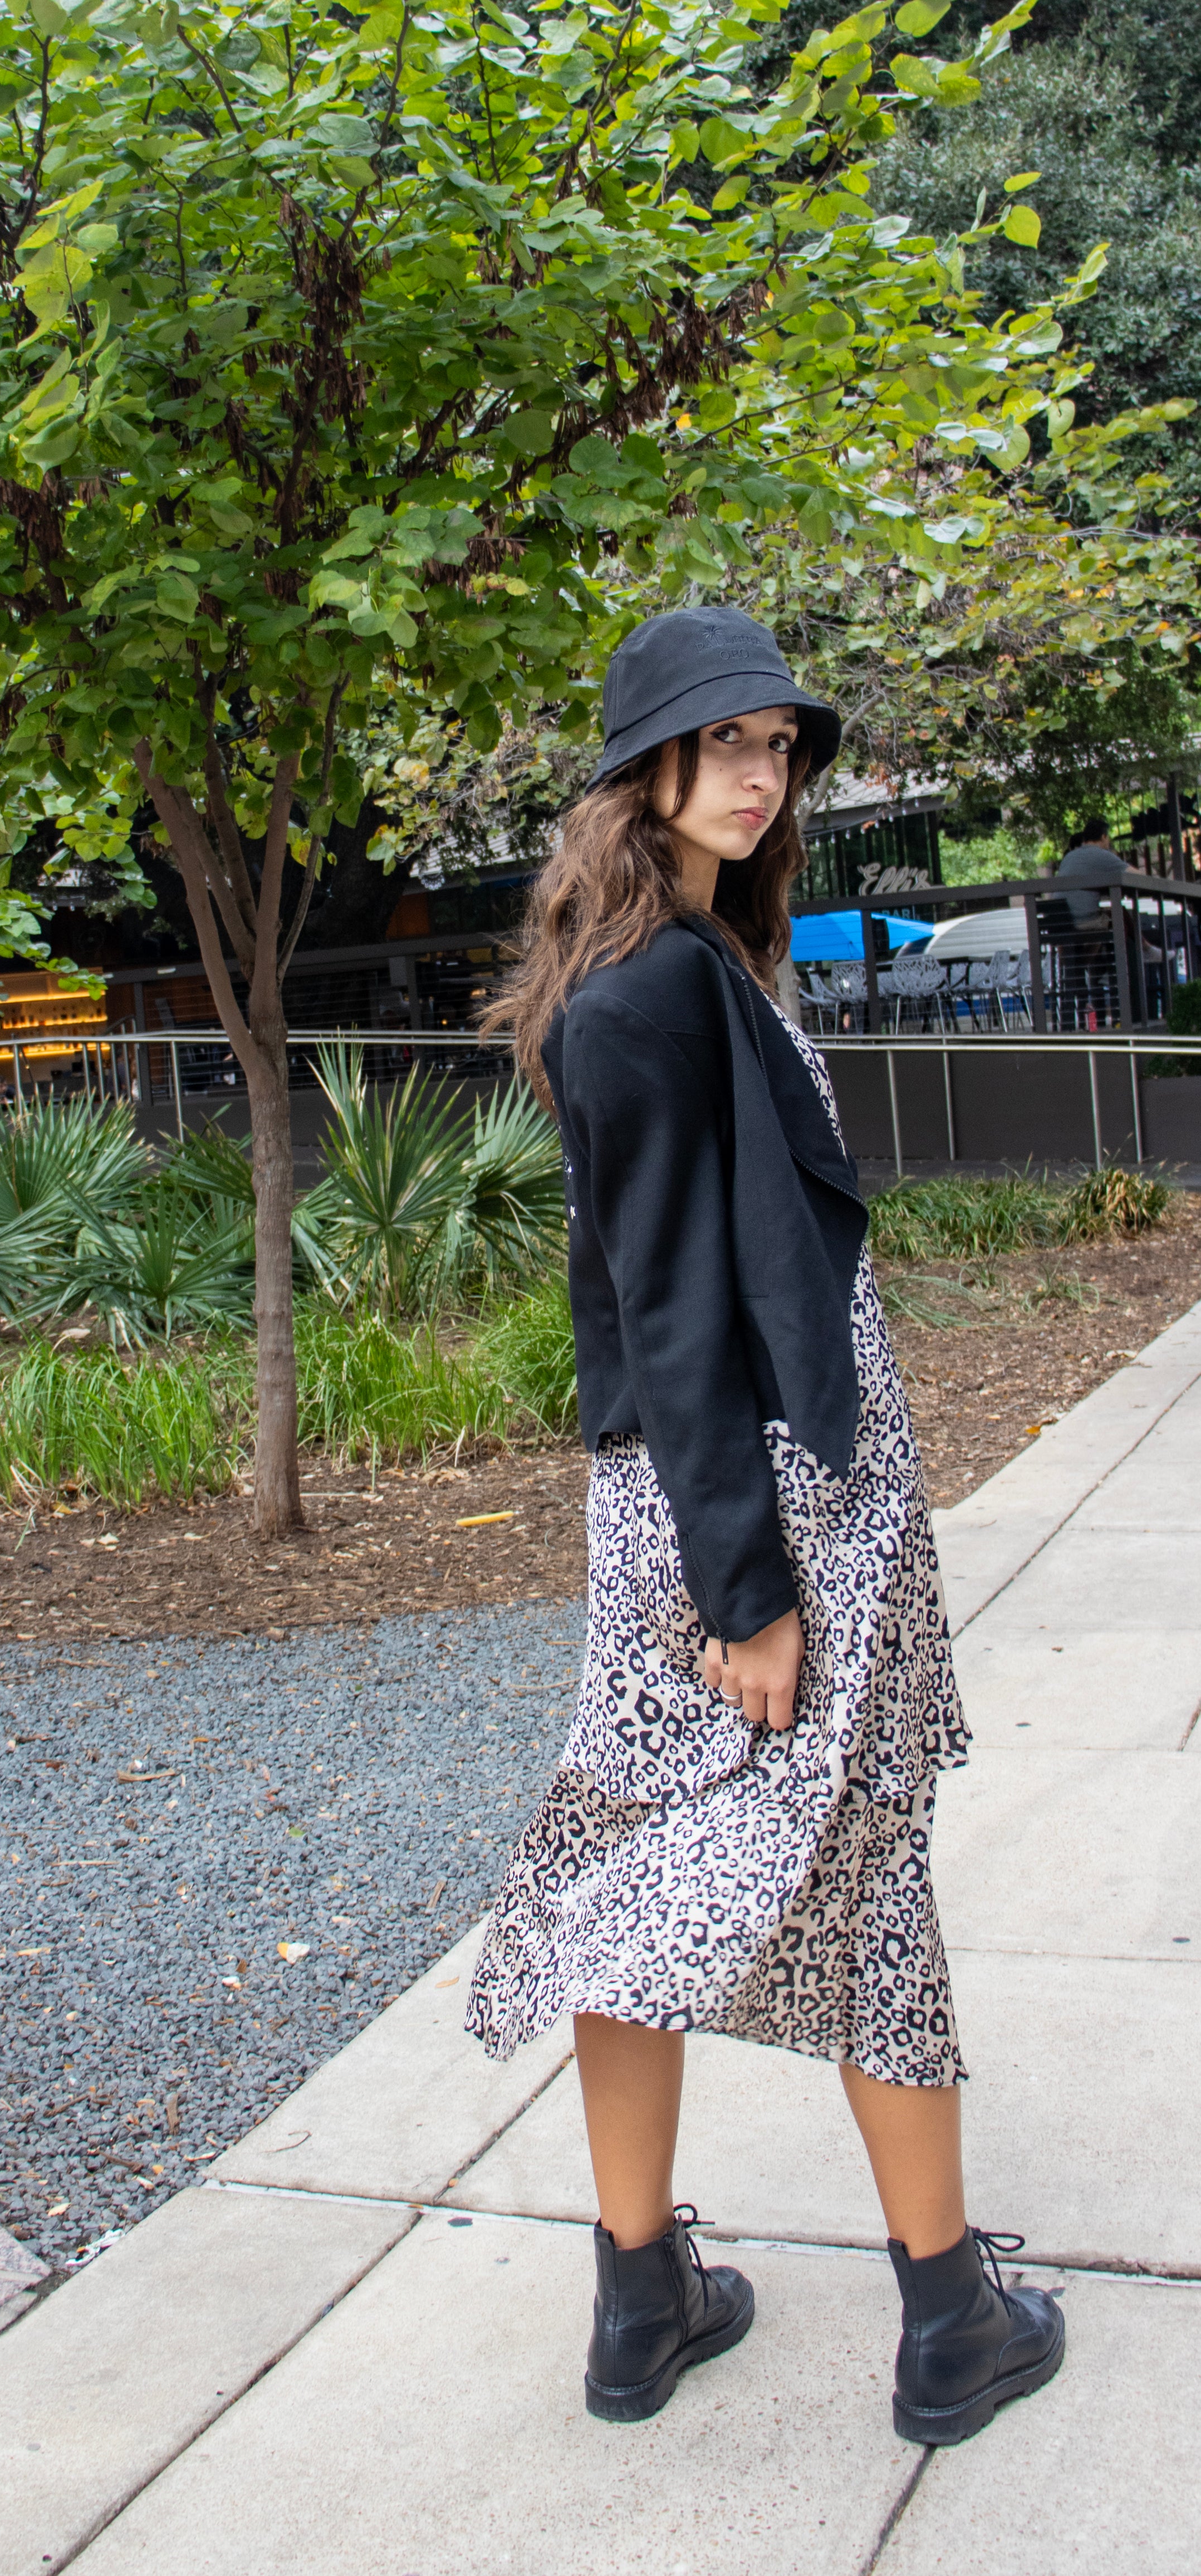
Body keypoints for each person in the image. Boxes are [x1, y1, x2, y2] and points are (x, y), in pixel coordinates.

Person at [470, 605, 1064, 2445]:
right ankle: (948, 2312)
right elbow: (663, 1301)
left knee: (628, 1878)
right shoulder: (650, 992)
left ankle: (641, 2297)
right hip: (750, 1509)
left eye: (779, 745)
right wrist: (749, 1587)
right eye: (724, 742)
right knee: (858, 1862)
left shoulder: (681, 960)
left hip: (725, 1494)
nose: (760, 771)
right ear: (640, 765)